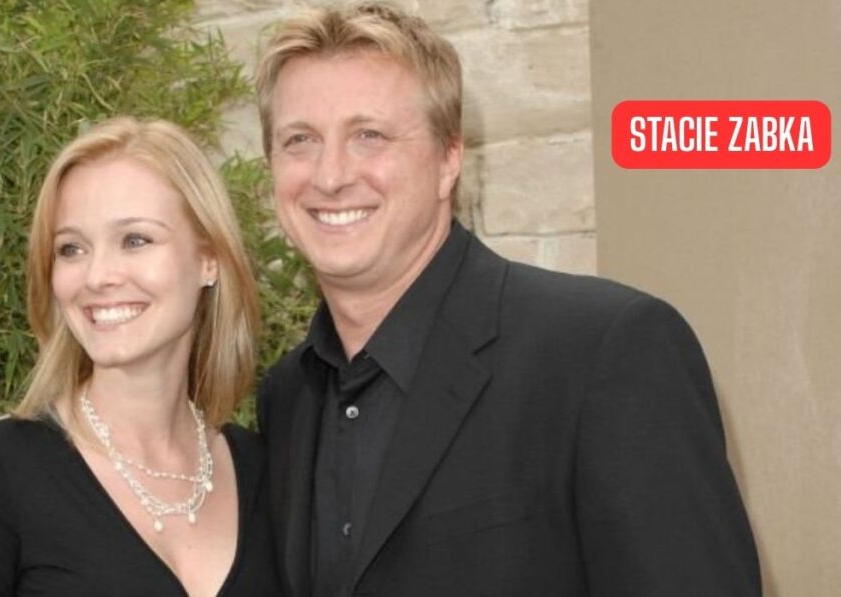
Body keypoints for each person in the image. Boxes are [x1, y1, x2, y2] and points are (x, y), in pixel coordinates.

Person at [254, 4, 761, 596]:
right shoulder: (286, 398)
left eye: (370, 135)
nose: (330, 175)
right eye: (300, 140)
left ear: (449, 158)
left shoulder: (604, 351)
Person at [0, 117, 281, 596]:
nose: (97, 276)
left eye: (135, 240)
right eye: (72, 249)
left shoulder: (267, 470)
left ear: (208, 258)